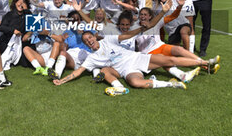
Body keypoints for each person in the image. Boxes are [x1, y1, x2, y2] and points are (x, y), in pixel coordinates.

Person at [53, 31, 220, 96]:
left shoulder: (108, 40)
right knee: (135, 82)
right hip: (126, 70)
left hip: (138, 58)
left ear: (95, 37)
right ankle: (172, 85)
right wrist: (62, 80)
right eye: (86, 41)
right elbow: (78, 71)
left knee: (169, 59)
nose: (89, 41)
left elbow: (126, 36)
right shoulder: (90, 58)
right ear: (86, 44)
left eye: (90, 38)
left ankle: (205, 62)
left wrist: (140, 28)